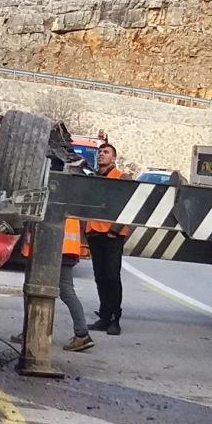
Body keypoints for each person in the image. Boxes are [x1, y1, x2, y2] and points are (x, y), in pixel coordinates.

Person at [14, 216, 94, 352]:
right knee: (67, 292)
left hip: (49, 248)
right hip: (67, 249)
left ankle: (31, 331)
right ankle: (82, 334)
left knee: (34, 288)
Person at [86, 142, 128, 336]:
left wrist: (115, 230)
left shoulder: (121, 177)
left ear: (114, 158)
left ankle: (114, 319)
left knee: (112, 276)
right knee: (100, 277)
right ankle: (104, 316)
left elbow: (128, 205)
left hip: (112, 235)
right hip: (95, 233)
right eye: (100, 152)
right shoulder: (93, 177)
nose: (101, 154)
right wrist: (86, 231)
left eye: (106, 152)